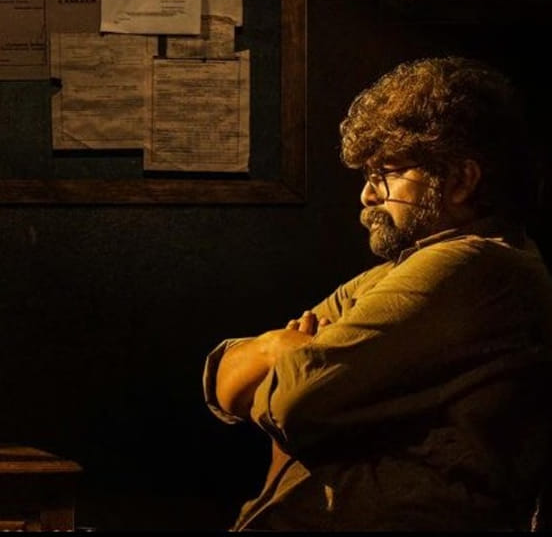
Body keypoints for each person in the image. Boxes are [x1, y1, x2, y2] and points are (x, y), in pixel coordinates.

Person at [203, 56, 552, 530]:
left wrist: (286, 370)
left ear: (460, 180)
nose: (368, 196)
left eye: (386, 173)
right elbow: (222, 380)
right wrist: (276, 349)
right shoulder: (398, 270)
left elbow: (294, 402)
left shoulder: (475, 265)